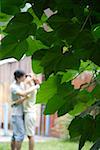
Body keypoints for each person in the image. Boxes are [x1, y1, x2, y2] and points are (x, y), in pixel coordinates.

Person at [10, 70, 40, 150]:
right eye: (24, 76)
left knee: (26, 135)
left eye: (27, 77)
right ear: (18, 78)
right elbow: (24, 95)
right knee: (18, 135)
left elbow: (25, 94)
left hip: (28, 113)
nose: (25, 78)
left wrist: (35, 85)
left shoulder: (30, 89)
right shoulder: (16, 86)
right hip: (19, 114)